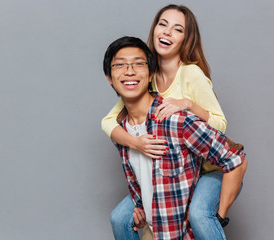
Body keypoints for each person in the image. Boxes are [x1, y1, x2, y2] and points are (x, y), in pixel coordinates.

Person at [102, 4, 241, 240]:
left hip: (208, 167)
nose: (167, 32)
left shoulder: (191, 75)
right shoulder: (144, 76)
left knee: (198, 215)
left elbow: (220, 126)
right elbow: (110, 121)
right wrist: (136, 143)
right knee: (120, 217)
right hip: (172, 167)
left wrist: (188, 105)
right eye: (162, 24)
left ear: (186, 40)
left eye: (177, 29)